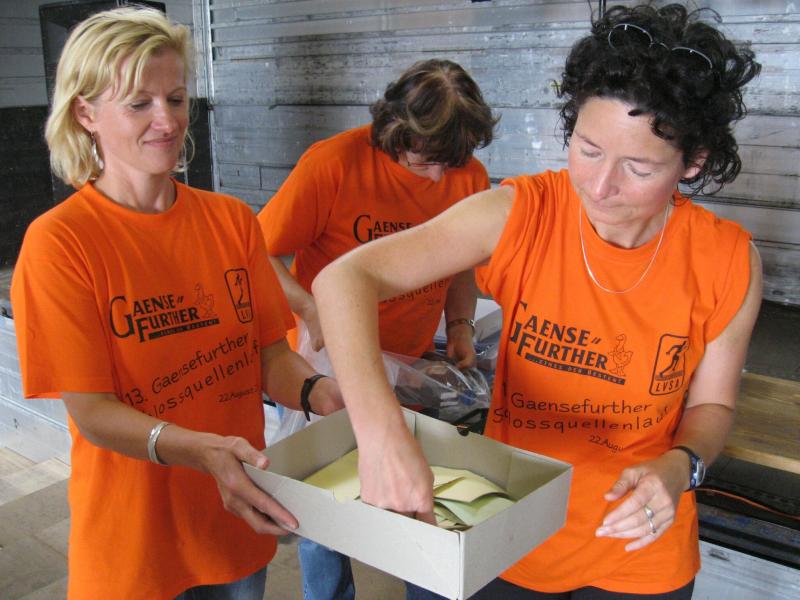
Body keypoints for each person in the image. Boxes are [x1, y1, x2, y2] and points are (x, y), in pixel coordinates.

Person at [312, 4, 762, 599]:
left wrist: (682, 465)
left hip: (639, 546)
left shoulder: (726, 259)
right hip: (511, 527)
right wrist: (381, 435)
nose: (600, 186)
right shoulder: (523, 213)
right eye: (588, 148)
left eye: (638, 167)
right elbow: (344, 280)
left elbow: (713, 406)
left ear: (693, 161)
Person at [10, 8, 344, 599]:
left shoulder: (231, 221)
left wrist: (319, 391)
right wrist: (200, 450)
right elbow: (92, 411)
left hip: (233, 520)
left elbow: (268, 355)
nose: (166, 121)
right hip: (134, 538)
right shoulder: (61, 242)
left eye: (176, 98)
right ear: (86, 114)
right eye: (138, 103)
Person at [257, 59, 497, 600]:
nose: (438, 178)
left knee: (413, 484)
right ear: (394, 130)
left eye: (450, 163)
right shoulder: (334, 163)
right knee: (327, 495)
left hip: (409, 363)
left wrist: (459, 324)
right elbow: (255, 251)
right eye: (425, 161)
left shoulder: (468, 175)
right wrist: (308, 307)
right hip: (329, 361)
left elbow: (463, 263)